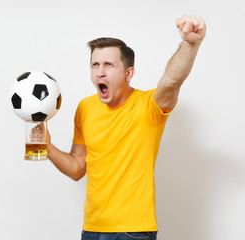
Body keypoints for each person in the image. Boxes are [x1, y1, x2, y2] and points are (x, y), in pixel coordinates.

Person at [33, 15, 206, 240]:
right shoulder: (85, 107)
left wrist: (190, 43)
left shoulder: (148, 106)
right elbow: (77, 168)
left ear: (128, 73)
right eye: (95, 64)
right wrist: (46, 146)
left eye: (109, 65)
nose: (100, 72)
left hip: (133, 231)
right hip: (92, 229)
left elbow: (172, 80)